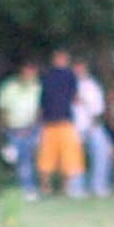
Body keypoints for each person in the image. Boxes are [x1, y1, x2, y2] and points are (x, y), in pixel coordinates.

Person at [36, 50, 84, 196]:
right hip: (49, 122)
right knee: (46, 157)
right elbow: (42, 99)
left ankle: (66, 188)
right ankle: (45, 187)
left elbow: (75, 96)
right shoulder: (47, 76)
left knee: (68, 157)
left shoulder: (70, 76)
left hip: (65, 121)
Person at [0, 60, 42, 200]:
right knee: (19, 160)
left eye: (33, 71)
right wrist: (7, 128)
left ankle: (29, 188)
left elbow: (39, 109)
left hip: (32, 128)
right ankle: (25, 189)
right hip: (14, 129)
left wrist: (31, 127)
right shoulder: (9, 87)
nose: (30, 74)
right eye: (28, 70)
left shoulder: (37, 87)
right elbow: (3, 109)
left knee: (28, 159)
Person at [71, 60, 111, 200]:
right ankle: (76, 188)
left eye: (81, 67)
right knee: (74, 152)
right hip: (72, 127)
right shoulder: (67, 85)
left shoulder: (93, 86)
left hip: (92, 126)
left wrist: (92, 125)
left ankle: (98, 186)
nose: (79, 69)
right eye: (76, 67)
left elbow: (98, 110)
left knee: (103, 147)